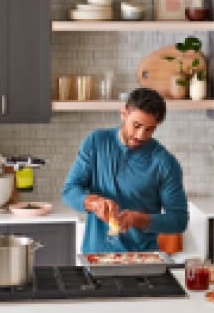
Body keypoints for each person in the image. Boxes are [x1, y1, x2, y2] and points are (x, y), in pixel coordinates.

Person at [62, 88, 189, 253]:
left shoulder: (165, 163)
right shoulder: (96, 142)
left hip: (142, 261)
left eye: (150, 129)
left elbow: (179, 220)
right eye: (136, 125)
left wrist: (140, 220)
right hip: (95, 256)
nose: (141, 135)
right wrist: (93, 203)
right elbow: (69, 190)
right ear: (124, 114)